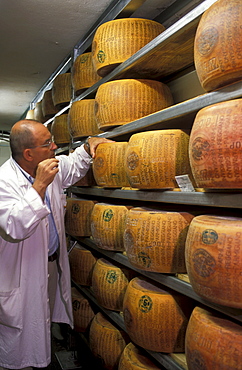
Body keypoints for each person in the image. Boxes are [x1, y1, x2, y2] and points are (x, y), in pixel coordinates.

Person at [0, 119, 113, 369]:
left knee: (41, 322)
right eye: (47, 143)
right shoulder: (3, 182)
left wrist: (88, 146)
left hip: (48, 266)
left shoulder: (46, 167)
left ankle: (42, 360)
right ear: (29, 154)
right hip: (21, 275)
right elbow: (14, 226)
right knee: (20, 339)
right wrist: (39, 186)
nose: (54, 147)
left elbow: (71, 166)